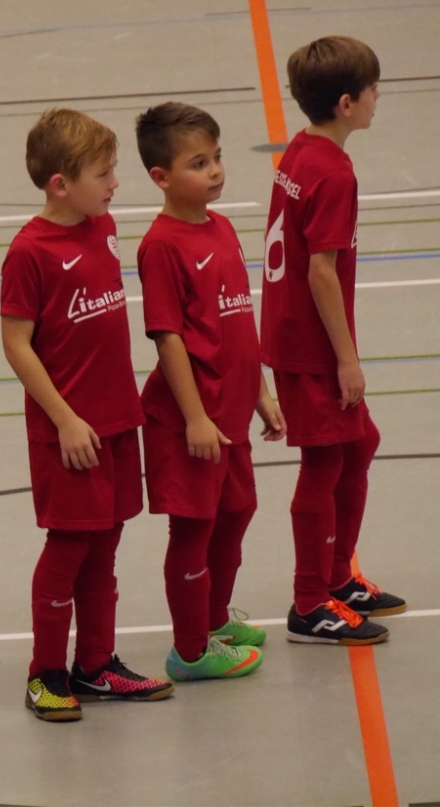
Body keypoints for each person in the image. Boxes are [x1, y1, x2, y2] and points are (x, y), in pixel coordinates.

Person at [0, 108, 175, 722]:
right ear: (60, 184)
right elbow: (16, 344)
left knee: (106, 545)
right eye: (103, 174)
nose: (115, 183)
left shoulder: (103, 227)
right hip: (69, 431)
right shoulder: (29, 252)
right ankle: (45, 673)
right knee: (69, 546)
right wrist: (65, 419)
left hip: (117, 420)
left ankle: (96, 664)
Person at [260, 36, 404, 644]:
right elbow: (322, 271)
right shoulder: (334, 172)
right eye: (372, 89)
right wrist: (348, 360)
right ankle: (308, 602)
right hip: (311, 344)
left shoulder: (301, 150)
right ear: (346, 102)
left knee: (361, 442)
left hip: (295, 331)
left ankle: (338, 575)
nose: (378, 97)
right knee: (323, 463)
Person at [134, 102, 285, 682]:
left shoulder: (220, 228)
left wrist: (261, 393)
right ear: (161, 177)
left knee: (238, 510)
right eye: (199, 163)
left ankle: (215, 617)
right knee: (194, 529)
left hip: (233, 411)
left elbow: (238, 320)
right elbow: (167, 337)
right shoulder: (162, 245)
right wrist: (195, 416)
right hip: (192, 422)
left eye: (217, 157)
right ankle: (191, 650)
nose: (216, 170)